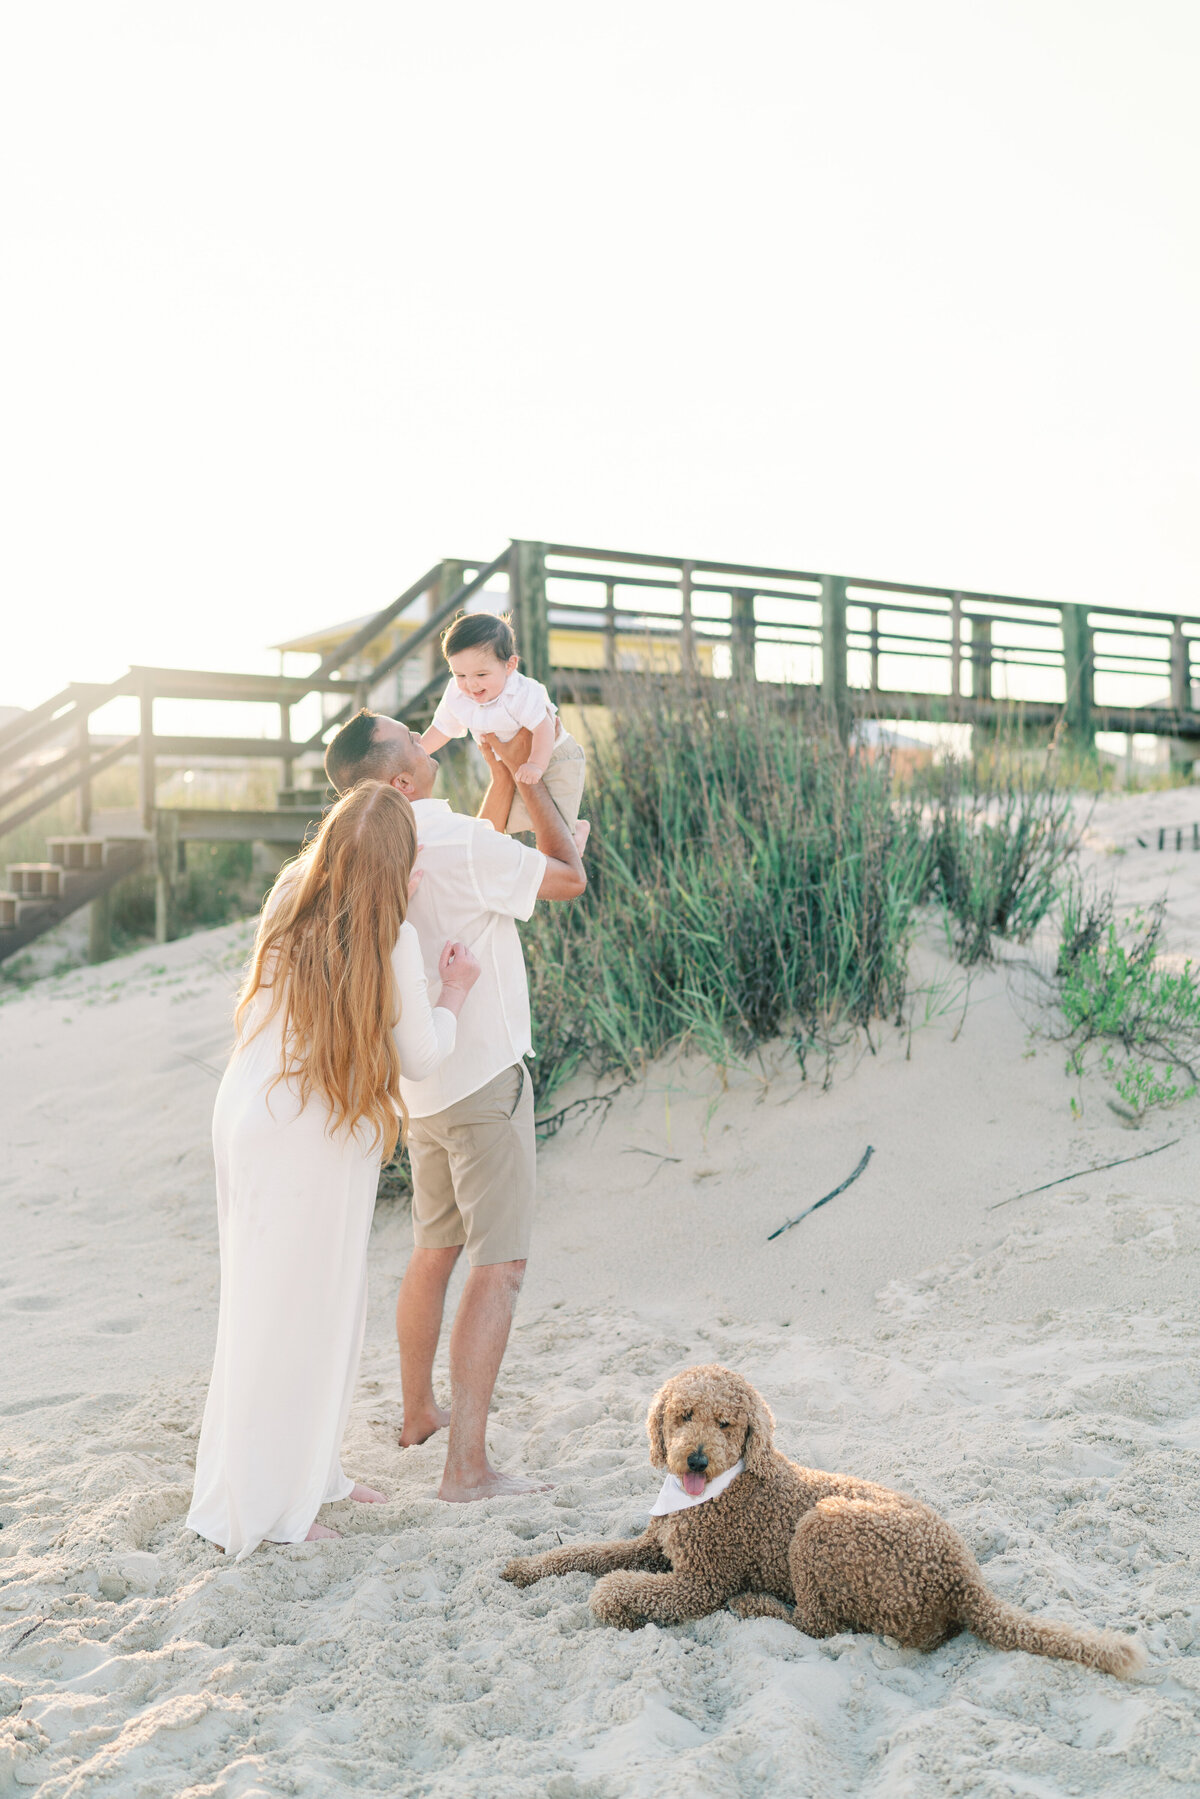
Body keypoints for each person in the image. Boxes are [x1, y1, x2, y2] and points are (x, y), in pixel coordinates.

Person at [187, 781, 480, 1559]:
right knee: (305, 1319)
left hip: (247, 1111)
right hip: (310, 1136)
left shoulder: (290, 891)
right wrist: (452, 989)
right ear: (398, 866)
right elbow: (419, 1055)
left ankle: (314, 1473)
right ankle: (281, 1504)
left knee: (264, 1308)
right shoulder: (390, 938)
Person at [323, 708, 586, 1501]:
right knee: (498, 1266)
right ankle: (466, 1468)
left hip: (423, 1088)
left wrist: (502, 777)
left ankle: (416, 1413)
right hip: (482, 1078)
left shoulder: (379, 848)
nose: (425, 734)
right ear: (401, 778)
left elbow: (474, 849)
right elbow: (569, 877)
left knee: (433, 1250)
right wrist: (533, 782)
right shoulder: (464, 846)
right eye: (412, 736)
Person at [415, 610, 589, 852]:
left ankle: (575, 832)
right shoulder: (457, 695)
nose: (471, 684)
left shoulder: (520, 693)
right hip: (514, 765)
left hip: (555, 756)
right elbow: (442, 728)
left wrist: (536, 765)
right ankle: (566, 832)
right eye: (460, 675)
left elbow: (544, 727)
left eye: (481, 675)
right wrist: (419, 751)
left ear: (510, 666)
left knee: (557, 826)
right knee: (520, 821)